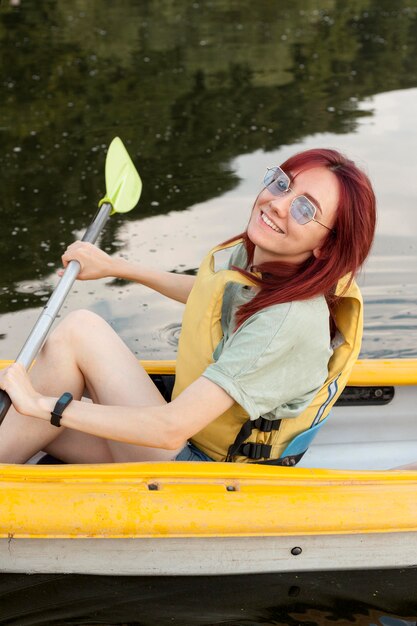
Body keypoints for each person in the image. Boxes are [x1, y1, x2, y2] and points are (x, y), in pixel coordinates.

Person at [0, 148, 376, 465]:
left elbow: (169, 430)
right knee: (35, 425)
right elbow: (209, 295)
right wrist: (117, 267)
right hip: (186, 441)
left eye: (304, 210)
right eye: (282, 184)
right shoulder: (264, 261)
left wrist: (41, 403)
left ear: (327, 245)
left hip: (208, 472)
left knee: (78, 334)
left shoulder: (289, 319)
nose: (277, 204)